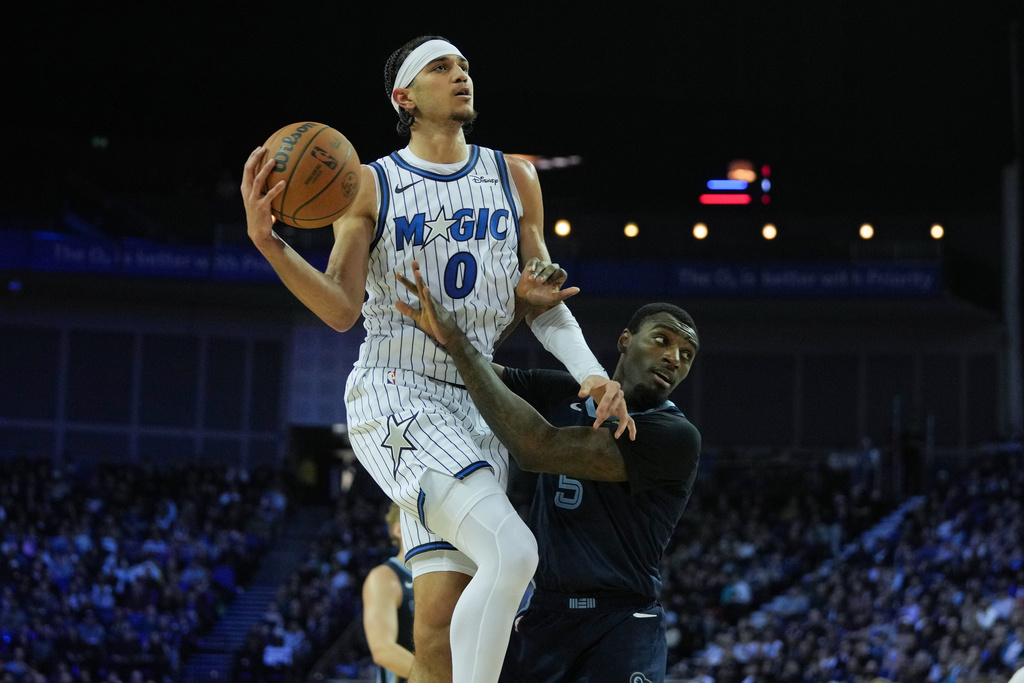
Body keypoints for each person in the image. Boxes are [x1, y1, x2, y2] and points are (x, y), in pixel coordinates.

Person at [240, 35, 634, 683]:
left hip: (481, 402)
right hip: (397, 393)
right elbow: (341, 307)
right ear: (405, 96)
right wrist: (270, 244)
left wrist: (590, 370)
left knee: (440, 627)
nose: (461, 75)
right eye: (442, 67)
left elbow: (541, 298)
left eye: (465, 67)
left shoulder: (516, 178)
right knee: (513, 552)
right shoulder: (369, 184)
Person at [396, 262, 702, 683]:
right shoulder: (562, 391)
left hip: (621, 622)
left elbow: (535, 448)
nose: (674, 357)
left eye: (687, 355)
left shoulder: (674, 435)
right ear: (625, 341)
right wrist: (518, 307)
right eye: (663, 341)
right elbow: (469, 372)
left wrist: (459, 341)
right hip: (545, 616)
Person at [362, 502, 415, 683]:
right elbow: (383, 650)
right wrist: (440, 677)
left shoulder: (450, 576)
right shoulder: (385, 578)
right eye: (420, 523)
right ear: (398, 531)